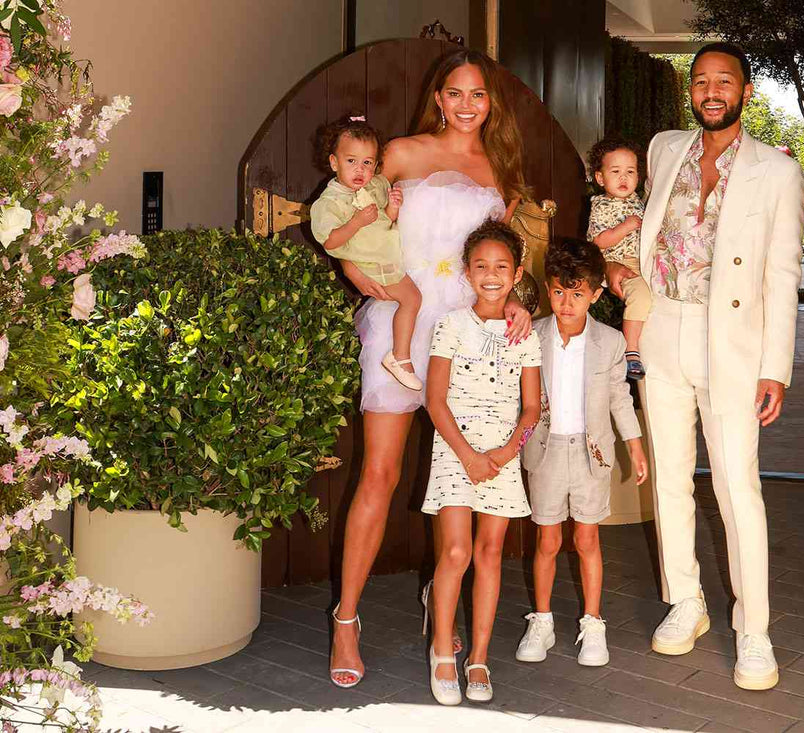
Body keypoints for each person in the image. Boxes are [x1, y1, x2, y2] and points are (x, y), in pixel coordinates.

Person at [328, 48, 532, 690]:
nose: (467, 105)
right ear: (438, 98)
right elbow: (345, 222)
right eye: (455, 93)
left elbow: (500, 256)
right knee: (380, 475)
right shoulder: (398, 154)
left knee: (464, 486)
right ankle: (346, 618)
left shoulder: (499, 166)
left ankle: (446, 615)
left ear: (488, 102)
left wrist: (519, 300)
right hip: (401, 328)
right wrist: (364, 282)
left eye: (479, 94)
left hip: (473, 344)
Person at [605, 41, 804, 691]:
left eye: (725, 81)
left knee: (736, 487)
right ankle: (685, 600)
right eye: (701, 81)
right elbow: (640, 228)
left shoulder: (777, 171)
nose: (711, 90)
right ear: (691, 91)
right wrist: (615, 269)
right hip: (663, 325)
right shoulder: (665, 148)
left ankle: (754, 630)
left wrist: (776, 365)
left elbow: (781, 272)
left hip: (734, 344)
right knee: (669, 479)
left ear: (746, 92)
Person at [422, 221, 541, 705]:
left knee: (491, 554)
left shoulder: (524, 333)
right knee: (456, 554)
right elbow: (434, 400)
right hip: (455, 451)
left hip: (503, 455)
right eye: (481, 266)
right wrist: (469, 456)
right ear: (467, 273)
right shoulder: (450, 325)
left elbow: (533, 408)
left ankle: (478, 658)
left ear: (515, 275)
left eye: (501, 267)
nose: (491, 275)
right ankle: (442, 652)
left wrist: (508, 451)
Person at [514, 238, 648, 668]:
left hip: (593, 454)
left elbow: (618, 397)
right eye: (558, 292)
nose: (566, 303)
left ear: (595, 293)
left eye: (577, 294)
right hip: (546, 452)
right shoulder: (532, 336)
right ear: (549, 289)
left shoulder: (609, 342)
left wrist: (635, 444)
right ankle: (543, 620)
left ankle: (593, 622)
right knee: (548, 540)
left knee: (588, 538)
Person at [311, 118, 422, 390]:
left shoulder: (373, 187)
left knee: (412, 299)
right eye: (351, 161)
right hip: (371, 264)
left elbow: (383, 220)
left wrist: (393, 208)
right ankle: (400, 357)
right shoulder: (330, 203)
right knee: (412, 298)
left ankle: (400, 354)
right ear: (334, 163)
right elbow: (330, 240)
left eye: (367, 163)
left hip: (385, 255)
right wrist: (355, 222)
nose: (360, 170)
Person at [585, 137, 651, 379]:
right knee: (641, 296)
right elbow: (598, 241)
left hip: (643, 260)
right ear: (601, 178)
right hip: (621, 261)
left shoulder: (638, 201)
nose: (624, 178)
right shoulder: (601, 205)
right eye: (616, 171)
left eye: (630, 171)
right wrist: (625, 227)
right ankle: (631, 350)